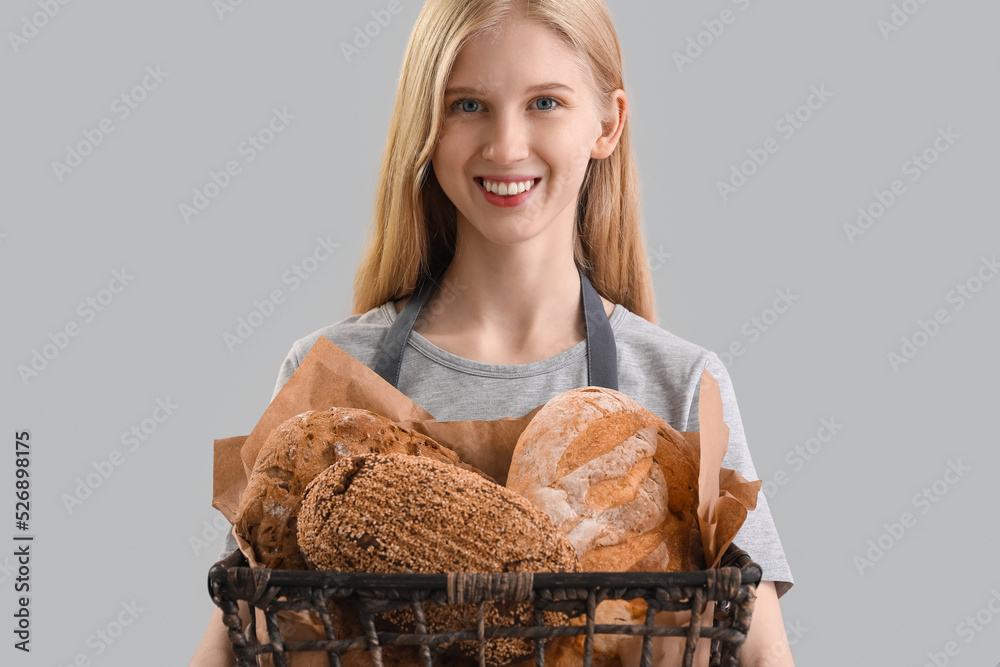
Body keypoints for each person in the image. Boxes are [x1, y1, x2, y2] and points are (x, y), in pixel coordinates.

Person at [191, 0, 795, 664]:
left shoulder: (679, 384)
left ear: (608, 123)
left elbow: (762, 653)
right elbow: (237, 634)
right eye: (466, 106)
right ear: (426, 125)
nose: (507, 145)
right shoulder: (332, 372)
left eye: (545, 102)